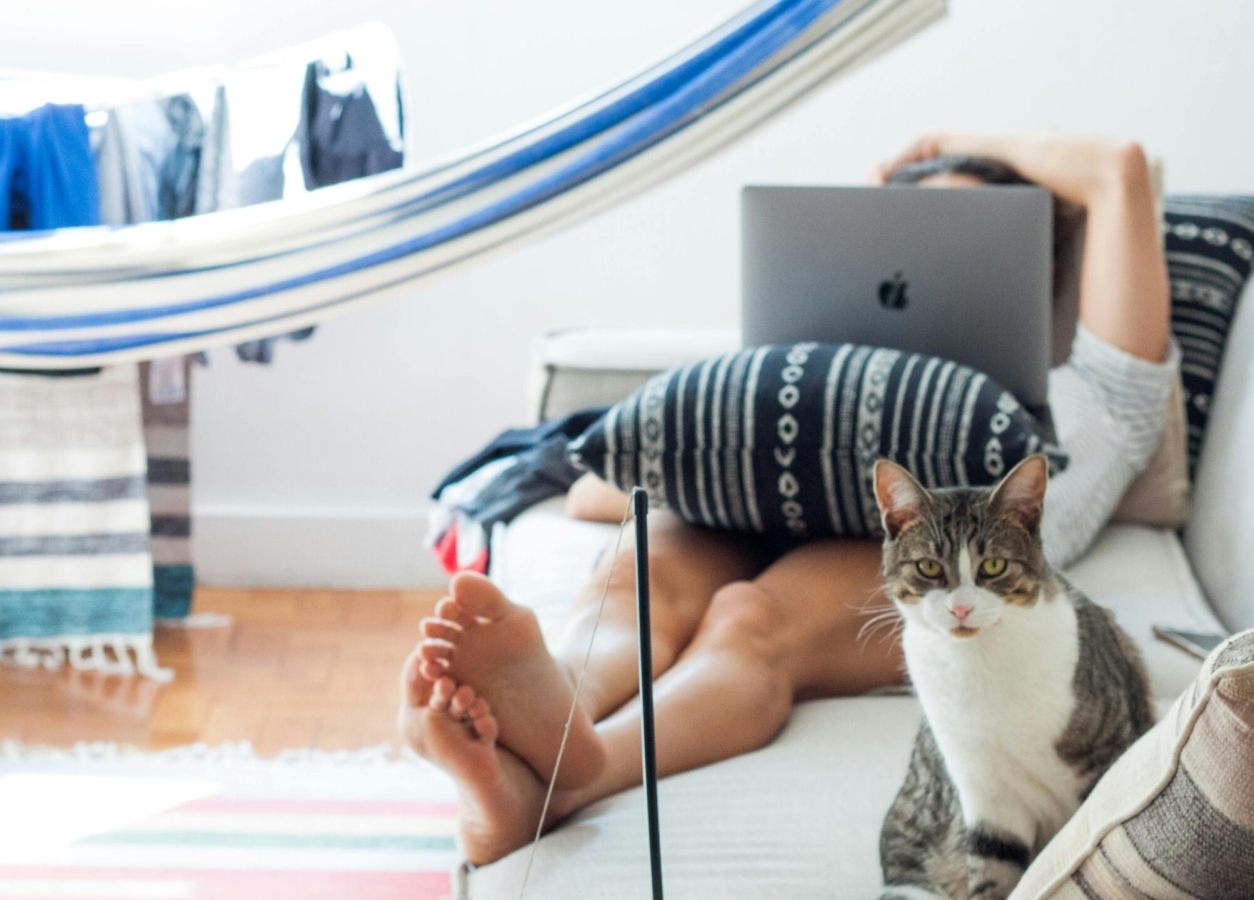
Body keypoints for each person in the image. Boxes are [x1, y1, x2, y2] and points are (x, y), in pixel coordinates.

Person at [397, 132, 1179, 865]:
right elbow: (593, 493)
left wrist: (959, 145)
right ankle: (556, 690)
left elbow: (1122, 168)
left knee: (751, 621)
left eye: (958, 241)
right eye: (905, 242)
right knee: (639, 577)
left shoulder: (1089, 402)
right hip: (781, 501)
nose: (917, 271)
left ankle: (571, 775)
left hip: (939, 548)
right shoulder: (816, 380)